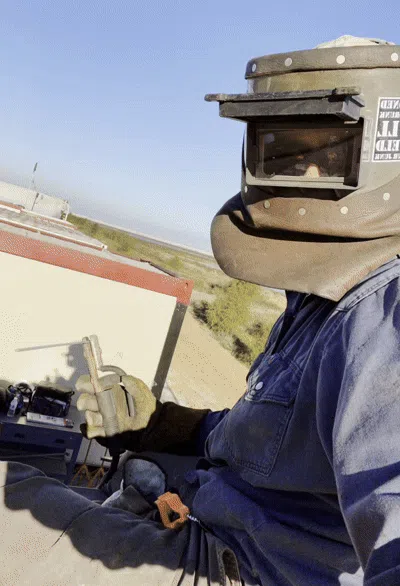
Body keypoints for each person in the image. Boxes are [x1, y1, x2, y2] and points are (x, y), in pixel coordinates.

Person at [2, 34, 400, 585]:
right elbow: (269, 448)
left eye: (325, 152)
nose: (295, 175)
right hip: (203, 522)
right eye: (283, 148)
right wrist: (159, 423)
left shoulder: (383, 316)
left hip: (235, 568)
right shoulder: (317, 299)